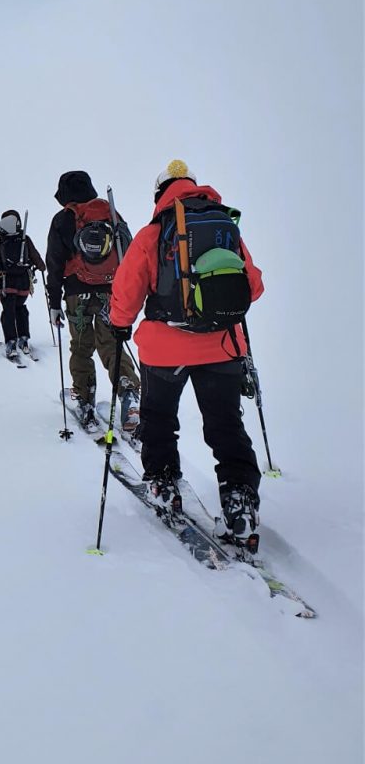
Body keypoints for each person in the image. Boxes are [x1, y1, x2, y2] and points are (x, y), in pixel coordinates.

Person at [108, 160, 264, 543]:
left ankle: (162, 484)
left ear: (160, 193)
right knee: (226, 424)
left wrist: (119, 323)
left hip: (165, 351)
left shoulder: (152, 234)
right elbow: (253, 286)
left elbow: (128, 290)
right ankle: (240, 498)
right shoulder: (226, 226)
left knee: (159, 418)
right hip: (222, 347)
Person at [46, 171, 140, 433]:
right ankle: (129, 395)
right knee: (112, 345)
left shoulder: (63, 219)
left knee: (81, 346)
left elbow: (54, 263)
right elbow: (128, 254)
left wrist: (54, 303)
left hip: (78, 294)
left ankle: (85, 400)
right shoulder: (110, 213)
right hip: (112, 292)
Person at [0, 210, 46, 360]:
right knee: (20, 308)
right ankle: (24, 339)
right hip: (24, 283)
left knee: (8, 311)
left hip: (6, 283)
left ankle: (11, 342)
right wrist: (39, 266)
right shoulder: (24, 238)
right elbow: (37, 259)